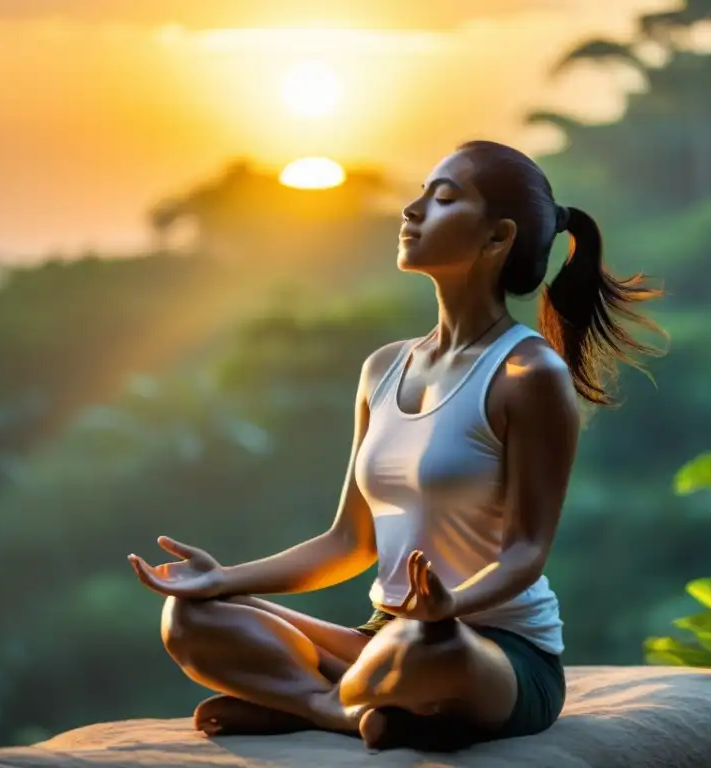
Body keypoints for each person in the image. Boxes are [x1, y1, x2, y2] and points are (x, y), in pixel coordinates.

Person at [127, 140, 666, 751]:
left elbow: (525, 553)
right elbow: (349, 542)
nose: (411, 211)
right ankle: (340, 710)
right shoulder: (383, 368)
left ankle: (319, 699)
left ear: (496, 239)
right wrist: (221, 579)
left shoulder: (528, 374)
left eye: (442, 199)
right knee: (192, 619)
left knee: (418, 648)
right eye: (419, 195)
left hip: (491, 654)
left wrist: (449, 606)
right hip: (385, 636)